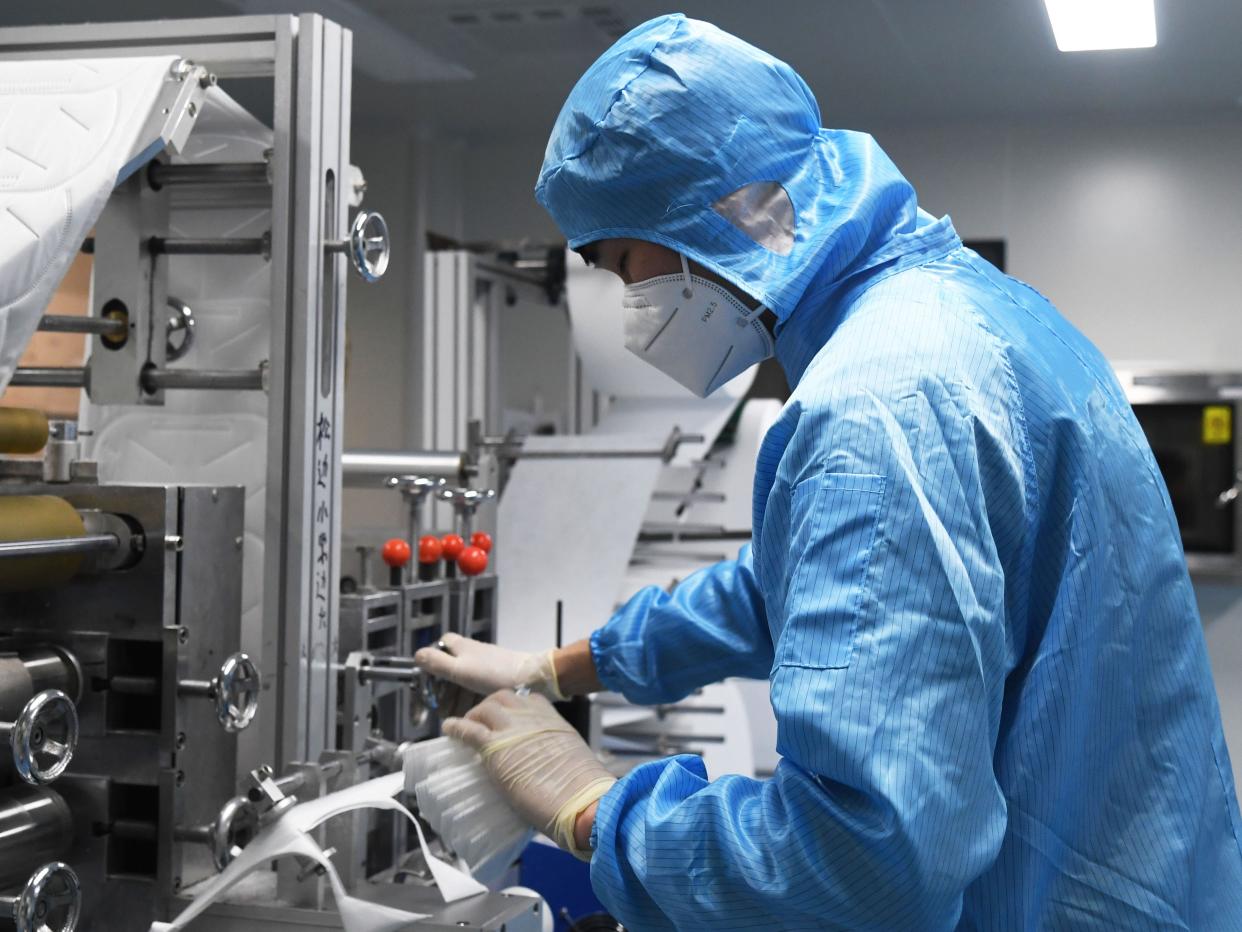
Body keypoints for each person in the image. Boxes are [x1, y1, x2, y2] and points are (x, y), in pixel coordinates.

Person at [416, 13, 1242, 930]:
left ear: (699, 211)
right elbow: (796, 590)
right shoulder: (964, 312)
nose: (630, 304)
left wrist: (597, 812)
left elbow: (865, 862)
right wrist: (570, 664)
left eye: (620, 263)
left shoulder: (876, 403)